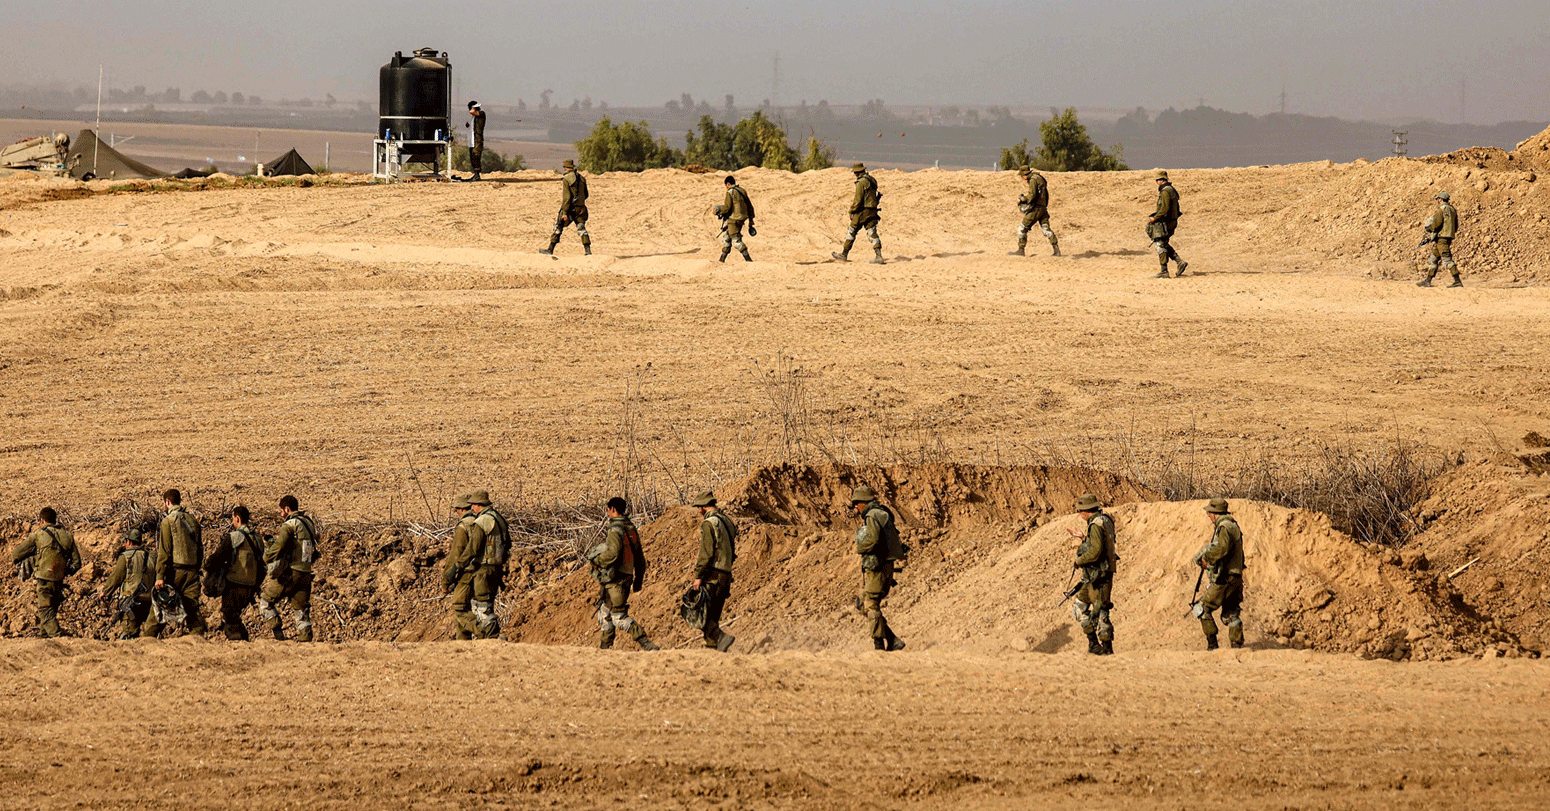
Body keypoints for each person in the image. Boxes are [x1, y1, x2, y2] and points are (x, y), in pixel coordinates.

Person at [587, 497, 659, 650]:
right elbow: (639, 557)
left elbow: (612, 554)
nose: (607, 512)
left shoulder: (615, 530)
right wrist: (638, 579)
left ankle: (647, 644)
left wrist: (596, 561)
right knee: (604, 612)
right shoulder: (630, 528)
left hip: (616, 580)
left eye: (608, 509)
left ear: (612, 509)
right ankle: (604, 648)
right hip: (625, 578)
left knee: (618, 617)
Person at [10, 506, 81, 637]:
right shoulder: (68, 536)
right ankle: (44, 640)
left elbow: (16, 553)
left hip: (43, 580)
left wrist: (31, 559)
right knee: (50, 611)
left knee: (45, 611)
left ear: (42, 520)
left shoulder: (38, 535)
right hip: (59, 581)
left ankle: (59, 638)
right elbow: (77, 563)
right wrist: (64, 571)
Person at [850, 486, 906, 651]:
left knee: (870, 604)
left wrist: (860, 547)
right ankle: (892, 639)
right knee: (862, 603)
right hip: (881, 567)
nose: (855, 507)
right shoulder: (879, 513)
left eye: (856, 503)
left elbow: (873, 540)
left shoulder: (872, 515)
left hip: (878, 568)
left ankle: (879, 645)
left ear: (863, 502)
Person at [260, 495, 319, 641]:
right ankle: (305, 639)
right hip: (306, 573)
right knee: (301, 610)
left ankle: (278, 635)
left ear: (287, 509)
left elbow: (280, 546)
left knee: (265, 602)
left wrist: (266, 558)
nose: (281, 514)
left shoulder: (290, 524)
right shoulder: (309, 523)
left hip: (291, 573)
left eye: (281, 511)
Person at [205, 506, 264, 640]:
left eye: (233, 518)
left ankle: (237, 642)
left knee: (229, 615)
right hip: (251, 586)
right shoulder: (257, 538)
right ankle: (244, 639)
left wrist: (207, 566)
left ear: (237, 518)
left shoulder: (235, 537)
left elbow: (218, 557)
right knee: (235, 615)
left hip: (235, 584)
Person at [1192, 498, 1246, 649]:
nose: (1208, 515)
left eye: (1209, 512)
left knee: (1201, 609)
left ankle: (1212, 646)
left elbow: (1222, 548)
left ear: (1215, 513)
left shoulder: (1224, 527)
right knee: (1231, 613)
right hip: (1235, 577)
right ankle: (1236, 646)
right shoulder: (1232, 525)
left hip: (1224, 577)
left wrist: (1206, 559)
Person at [154, 489, 207, 636]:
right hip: (192, 572)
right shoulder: (193, 520)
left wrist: (160, 576)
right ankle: (199, 643)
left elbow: (164, 552)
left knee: (159, 608)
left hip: (175, 572)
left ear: (168, 502)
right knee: (192, 610)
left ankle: (145, 642)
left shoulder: (168, 521)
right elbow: (200, 549)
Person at [1071, 494, 1117, 655]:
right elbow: (1101, 545)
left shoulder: (1096, 525)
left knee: (1101, 611)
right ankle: (1095, 644)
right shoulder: (1105, 520)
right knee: (1080, 606)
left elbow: (1096, 551)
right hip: (1097, 575)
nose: (1079, 513)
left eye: (1080, 510)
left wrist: (1080, 561)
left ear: (1085, 511)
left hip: (1098, 576)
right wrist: (1084, 538)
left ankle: (1103, 648)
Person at [690, 490, 737, 652]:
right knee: (713, 616)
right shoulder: (727, 521)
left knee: (700, 614)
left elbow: (706, 553)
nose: (698, 510)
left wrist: (698, 576)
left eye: (699, 507)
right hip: (726, 574)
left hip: (713, 575)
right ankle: (714, 651)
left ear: (703, 506)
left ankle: (722, 638)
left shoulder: (709, 523)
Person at [465, 489, 510, 639]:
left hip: (484, 569)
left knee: (482, 607)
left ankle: (491, 638)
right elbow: (507, 543)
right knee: (488, 604)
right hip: (497, 568)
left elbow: (473, 548)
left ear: (479, 505)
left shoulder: (483, 520)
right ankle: (492, 637)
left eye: (473, 505)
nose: (471, 508)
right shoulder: (499, 518)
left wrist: (457, 567)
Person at [102, 528, 157, 639]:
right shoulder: (152, 557)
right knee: (148, 635)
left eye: (125, 541)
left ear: (129, 542)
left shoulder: (126, 557)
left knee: (129, 634)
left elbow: (116, 577)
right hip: (149, 601)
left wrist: (105, 592)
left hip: (130, 601)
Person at [441, 493, 480, 639]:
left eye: (457, 509)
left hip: (468, 572)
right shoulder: (481, 522)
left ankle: (489, 635)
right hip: (484, 572)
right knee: (469, 608)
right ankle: (463, 644)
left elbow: (455, 556)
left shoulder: (464, 526)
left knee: (460, 608)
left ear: (462, 509)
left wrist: (446, 582)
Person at [832, 163, 885, 264]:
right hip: (872, 210)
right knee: (872, 232)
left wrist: (852, 211)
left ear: (856, 172)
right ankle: (879, 256)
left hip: (862, 211)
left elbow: (857, 200)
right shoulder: (872, 180)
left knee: (851, 231)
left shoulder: (861, 183)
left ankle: (844, 254)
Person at [540, 159, 590, 256]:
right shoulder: (582, 178)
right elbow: (586, 195)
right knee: (581, 228)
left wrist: (565, 212)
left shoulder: (567, 179)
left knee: (558, 226)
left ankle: (550, 249)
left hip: (570, 208)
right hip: (581, 208)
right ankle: (587, 251)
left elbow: (566, 198)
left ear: (565, 167)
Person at [1009, 165, 1060, 257]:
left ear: (1024, 175)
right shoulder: (1039, 178)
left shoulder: (1033, 180)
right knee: (1046, 229)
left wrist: (1022, 199)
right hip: (1043, 208)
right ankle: (1056, 250)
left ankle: (1021, 250)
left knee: (1022, 229)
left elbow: (1032, 196)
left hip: (1036, 209)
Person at [1148, 170, 1188, 278]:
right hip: (1171, 221)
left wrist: (1154, 219)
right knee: (1164, 243)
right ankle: (1179, 262)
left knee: (1160, 244)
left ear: (1161, 181)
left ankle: (1164, 271)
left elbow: (1164, 209)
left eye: (1158, 180)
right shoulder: (1170, 190)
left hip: (1167, 222)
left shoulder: (1165, 191)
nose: (1157, 182)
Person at [1419, 191, 1461, 287]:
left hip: (1442, 238)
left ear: (1440, 199)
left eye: (1438, 199)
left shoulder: (1441, 209)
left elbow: (1436, 224)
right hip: (1447, 237)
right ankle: (1428, 280)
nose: (1437, 201)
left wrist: (1429, 228)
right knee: (1433, 259)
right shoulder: (1453, 210)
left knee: (1447, 260)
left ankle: (1457, 281)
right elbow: (1456, 226)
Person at [713, 175, 755, 262]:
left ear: (728, 184)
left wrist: (718, 211)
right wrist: (751, 220)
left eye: (726, 186)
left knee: (736, 241)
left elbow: (727, 207)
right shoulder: (742, 190)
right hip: (742, 218)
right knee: (727, 238)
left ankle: (749, 260)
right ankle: (721, 260)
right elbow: (750, 206)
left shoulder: (730, 192)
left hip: (734, 219)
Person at [466, 101, 486, 181]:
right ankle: (475, 174)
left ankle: (477, 175)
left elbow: (472, 111)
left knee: (476, 156)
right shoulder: (474, 117)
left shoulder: (481, 113)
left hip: (477, 140)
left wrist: (473, 108)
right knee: (472, 157)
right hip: (472, 140)